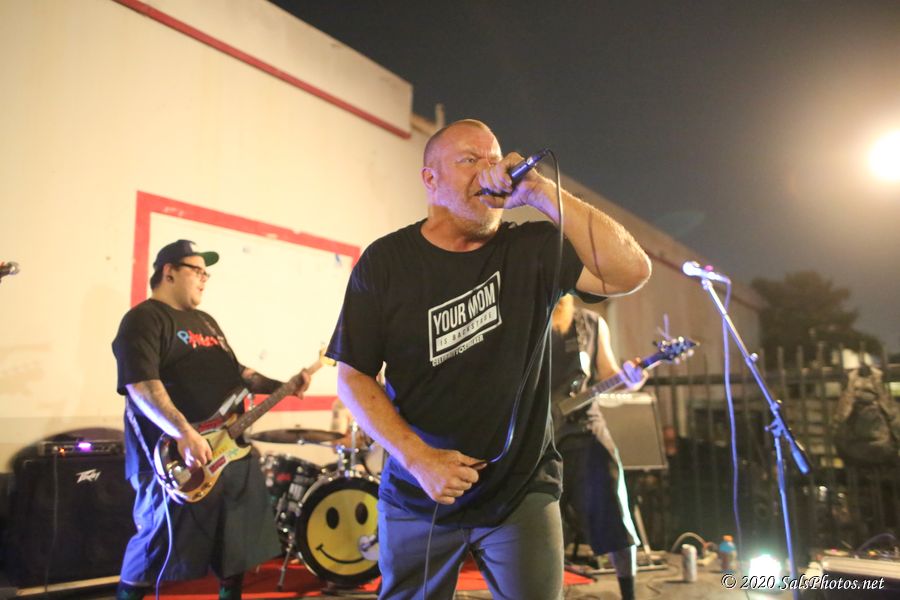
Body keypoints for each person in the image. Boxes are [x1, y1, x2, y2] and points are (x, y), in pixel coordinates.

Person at [326, 119, 651, 599]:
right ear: (430, 179)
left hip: (521, 490)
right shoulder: (386, 262)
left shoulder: (532, 249)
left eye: (494, 159)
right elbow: (353, 377)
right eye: (469, 160)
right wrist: (418, 459)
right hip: (420, 492)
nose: (489, 170)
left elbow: (632, 272)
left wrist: (540, 191)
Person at [112, 239, 311, 600]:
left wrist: (283, 386)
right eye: (197, 271)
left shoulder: (206, 321)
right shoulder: (144, 318)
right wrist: (183, 432)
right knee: (156, 543)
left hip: (228, 450)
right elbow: (140, 384)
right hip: (173, 455)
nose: (205, 278)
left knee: (235, 546)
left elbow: (239, 373)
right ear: (169, 272)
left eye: (207, 273)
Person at [550, 294, 645, 600]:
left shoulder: (590, 324)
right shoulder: (524, 318)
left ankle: (628, 593)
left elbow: (609, 375)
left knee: (614, 512)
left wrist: (632, 379)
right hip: (538, 439)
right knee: (542, 527)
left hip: (585, 429)